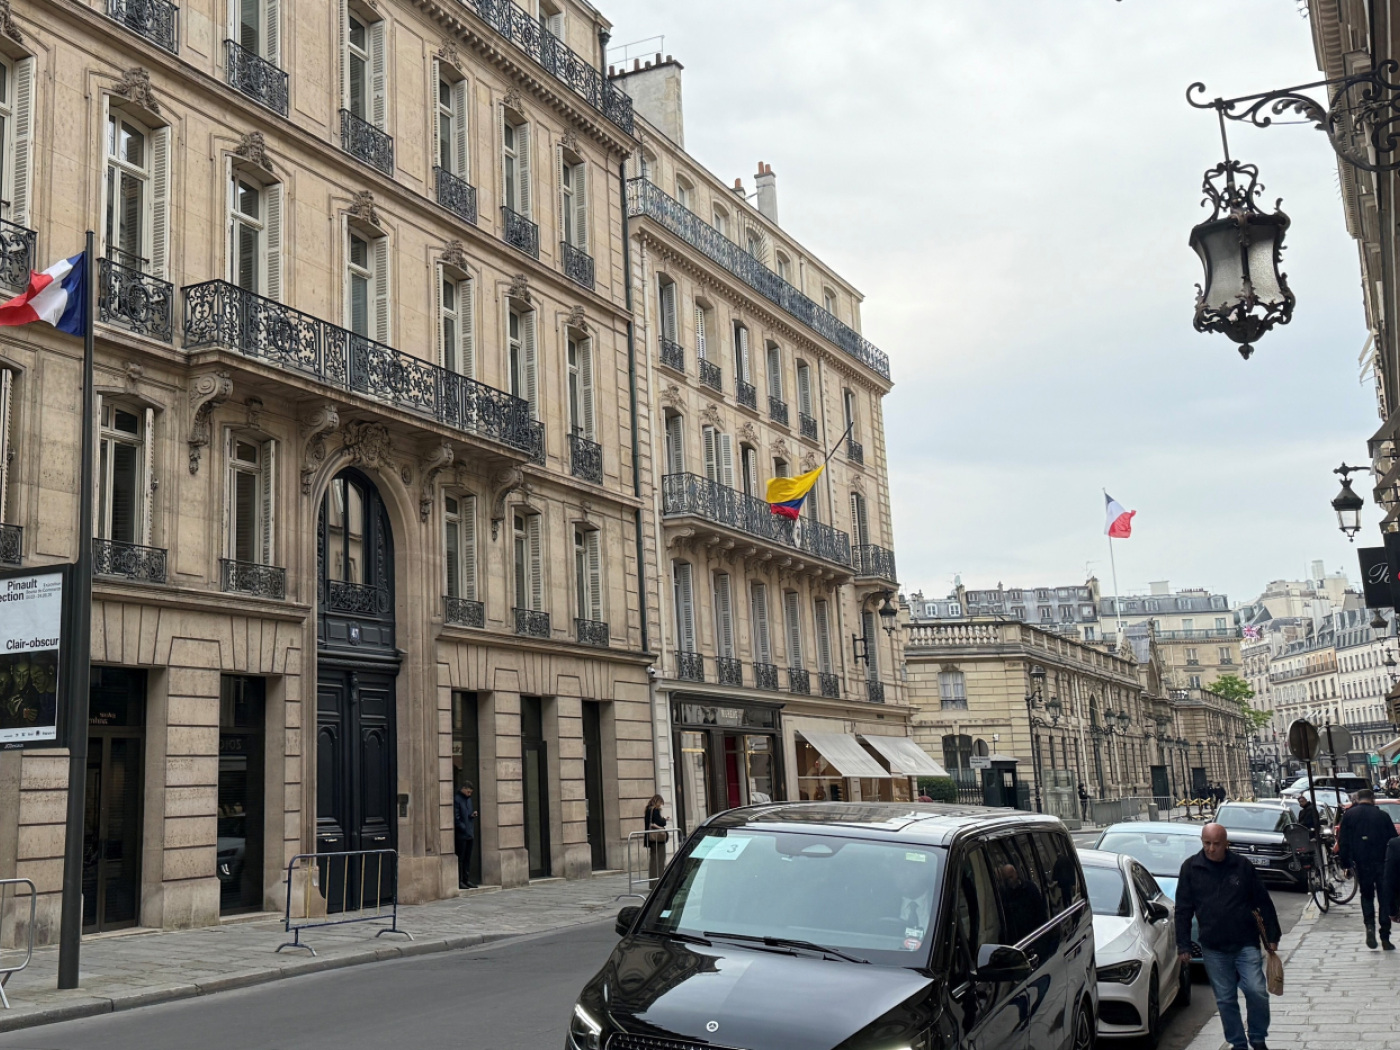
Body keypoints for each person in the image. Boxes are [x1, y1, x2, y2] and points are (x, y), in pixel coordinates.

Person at [1175, 822, 1280, 1050]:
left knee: (1256, 990)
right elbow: (1183, 909)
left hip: (1245, 941)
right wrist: (1183, 945)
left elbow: (1263, 900)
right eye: (1207, 843)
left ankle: (1258, 1037)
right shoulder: (1191, 868)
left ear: (1226, 844)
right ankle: (1238, 1043)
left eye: (1216, 844)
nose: (1211, 849)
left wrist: (1272, 935)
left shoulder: (1242, 866)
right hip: (1213, 946)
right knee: (1225, 999)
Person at [1337, 787, 1398, 950]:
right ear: (1372, 799)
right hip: (1382, 862)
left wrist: (1346, 863)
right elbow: (1393, 840)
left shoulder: (1349, 816)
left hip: (1362, 862)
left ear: (1357, 799)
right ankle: (1385, 936)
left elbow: (1343, 841)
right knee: (1384, 898)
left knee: (1366, 895)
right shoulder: (1382, 816)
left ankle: (1369, 926)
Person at [453, 781, 477, 889]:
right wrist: (463, 828)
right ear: (463, 789)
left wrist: (472, 815)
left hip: (469, 832)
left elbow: (467, 815)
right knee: (461, 858)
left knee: (467, 858)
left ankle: (466, 879)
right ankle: (460, 880)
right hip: (462, 834)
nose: (469, 794)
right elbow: (456, 817)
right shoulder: (457, 799)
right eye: (468, 792)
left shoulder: (468, 800)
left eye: (470, 792)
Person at [644, 794, 668, 884]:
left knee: (653, 861)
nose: (660, 805)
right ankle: (658, 882)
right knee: (660, 860)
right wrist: (664, 820)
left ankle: (652, 883)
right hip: (658, 839)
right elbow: (659, 822)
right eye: (660, 803)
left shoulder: (648, 809)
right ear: (658, 801)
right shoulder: (655, 810)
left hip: (651, 839)